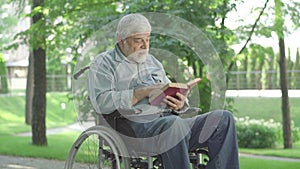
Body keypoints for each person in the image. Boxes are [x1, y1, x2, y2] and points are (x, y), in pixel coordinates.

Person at [87, 13, 240, 169]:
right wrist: (142, 92)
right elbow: (101, 102)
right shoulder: (104, 63)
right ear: (121, 40)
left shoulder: (153, 62)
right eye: (139, 40)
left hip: (171, 122)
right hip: (135, 131)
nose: (145, 46)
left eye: (147, 39)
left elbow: (167, 89)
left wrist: (180, 102)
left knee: (223, 119)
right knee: (174, 125)